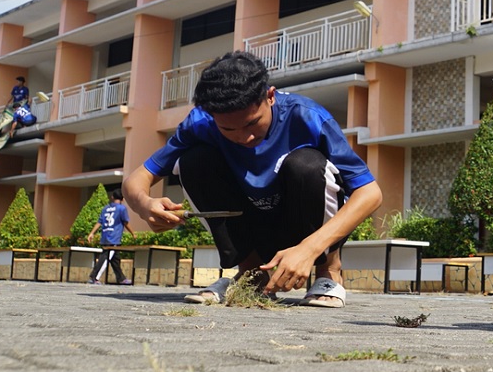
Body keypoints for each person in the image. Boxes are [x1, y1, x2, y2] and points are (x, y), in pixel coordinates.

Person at [122, 51, 382, 307]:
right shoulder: (199, 123)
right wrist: (145, 206)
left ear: (270, 96)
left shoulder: (308, 117)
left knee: (306, 165)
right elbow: (136, 180)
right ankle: (252, 275)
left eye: (252, 124)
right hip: (250, 221)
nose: (244, 138)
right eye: (228, 129)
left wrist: (310, 248)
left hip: (304, 223)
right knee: (193, 161)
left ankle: (329, 271)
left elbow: (370, 193)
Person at [87, 190, 134, 285]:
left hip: (105, 236)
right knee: (105, 258)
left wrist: (92, 233)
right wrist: (133, 233)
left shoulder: (105, 208)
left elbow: (99, 222)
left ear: (112, 197)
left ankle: (121, 278)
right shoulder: (122, 208)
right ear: (123, 199)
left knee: (115, 259)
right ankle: (94, 277)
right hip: (114, 238)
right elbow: (125, 222)